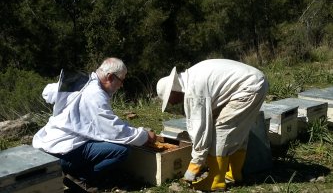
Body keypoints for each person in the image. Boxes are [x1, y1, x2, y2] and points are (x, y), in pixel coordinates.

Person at [33, 57, 156, 192]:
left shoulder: (82, 81)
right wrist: (144, 136)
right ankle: (82, 178)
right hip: (63, 152)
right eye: (121, 80)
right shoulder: (95, 94)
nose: (121, 85)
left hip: (47, 145)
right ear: (110, 77)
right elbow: (114, 130)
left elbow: (47, 92)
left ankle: (73, 171)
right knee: (122, 151)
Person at [156, 59, 268, 192]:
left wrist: (194, 166)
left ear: (173, 91)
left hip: (248, 87)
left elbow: (201, 131)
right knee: (238, 130)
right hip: (256, 81)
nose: (172, 104)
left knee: (221, 129)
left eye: (170, 100)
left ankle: (216, 182)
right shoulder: (191, 76)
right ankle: (234, 174)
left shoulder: (193, 92)